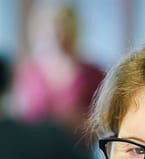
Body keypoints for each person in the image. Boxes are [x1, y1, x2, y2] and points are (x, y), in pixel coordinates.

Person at [12, 3, 104, 146]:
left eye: (63, 28)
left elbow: (104, 125)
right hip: (38, 155)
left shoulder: (93, 74)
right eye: (52, 28)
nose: (58, 35)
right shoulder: (30, 74)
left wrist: (75, 121)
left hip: (78, 157)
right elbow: (20, 120)